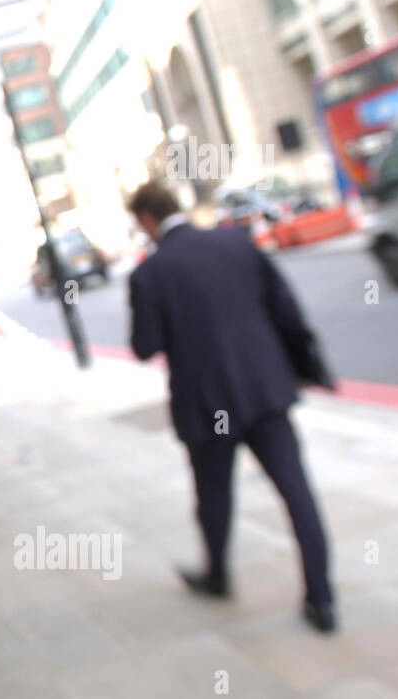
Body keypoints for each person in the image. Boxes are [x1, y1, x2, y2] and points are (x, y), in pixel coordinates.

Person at [126, 179, 337, 633]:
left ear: (146, 220)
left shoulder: (149, 273)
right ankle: (322, 600)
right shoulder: (234, 241)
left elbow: (145, 346)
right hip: (263, 389)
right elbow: (284, 307)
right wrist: (303, 366)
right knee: (297, 494)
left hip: (207, 404)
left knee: (214, 494)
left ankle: (217, 575)